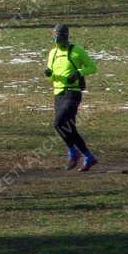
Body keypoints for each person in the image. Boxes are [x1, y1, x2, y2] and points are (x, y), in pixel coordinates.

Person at [43, 24, 98, 171]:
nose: (58, 39)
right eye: (56, 36)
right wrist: (48, 74)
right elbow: (52, 77)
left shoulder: (77, 50)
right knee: (69, 128)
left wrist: (78, 73)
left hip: (72, 93)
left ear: (66, 36)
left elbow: (93, 67)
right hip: (58, 94)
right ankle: (88, 157)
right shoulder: (53, 53)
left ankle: (73, 152)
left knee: (58, 123)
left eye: (61, 36)